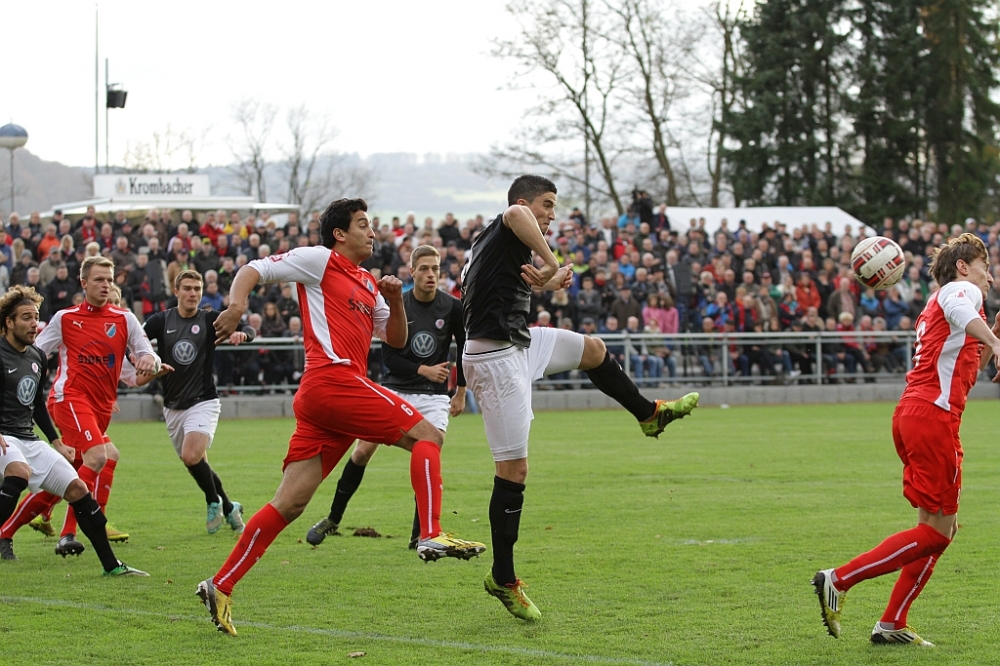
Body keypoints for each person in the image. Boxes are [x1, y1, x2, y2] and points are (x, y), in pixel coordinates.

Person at [197, 198, 484, 637]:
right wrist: (236, 306)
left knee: (290, 503)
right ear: (339, 233)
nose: (372, 232)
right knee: (428, 434)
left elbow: (396, 339)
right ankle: (430, 533)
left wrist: (395, 300)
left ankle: (220, 585)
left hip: (328, 401)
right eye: (363, 224)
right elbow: (254, 268)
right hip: (333, 380)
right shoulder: (319, 260)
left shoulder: (368, 281)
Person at [462, 175, 699, 621]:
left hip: (518, 343)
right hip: (495, 359)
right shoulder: (509, 220)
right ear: (525, 202)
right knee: (513, 470)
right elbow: (515, 214)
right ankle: (503, 578)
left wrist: (546, 283)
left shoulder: (497, 246)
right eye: (547, 205)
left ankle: (649, 414)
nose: (552, 214)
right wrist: (551, 263)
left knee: (593, 349)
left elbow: (496, 288)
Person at [813, 233, 1000, 646]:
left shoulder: (940, 307)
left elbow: (965, 373)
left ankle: (892, 623)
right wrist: (993, 339)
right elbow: (961, 307)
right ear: (963, 267)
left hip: (916, 415)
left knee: (940, 527)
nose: (990, 276)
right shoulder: (960, 291)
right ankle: (838, 579)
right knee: (937, 533)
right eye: (985, 267)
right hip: (932, 419)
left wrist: (991, 338)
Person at [305, 245, 468, 549]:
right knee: (361, 453)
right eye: (424, 269)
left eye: (435, 269)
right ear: (412, 271)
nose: (431, 274)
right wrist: (423, 369)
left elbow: (464, 349)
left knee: (429, 453)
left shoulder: (452, 306)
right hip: (395, 389)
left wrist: (460, 392)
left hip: (433, 397)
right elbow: (389, 358)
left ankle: (420, 536)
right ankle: (333, 519)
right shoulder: (397, 304)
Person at [0, 285, 146, 576]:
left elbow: (37, 403)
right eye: (26, 318)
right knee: (18, 472)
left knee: (78, 488)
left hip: (27, 438)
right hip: (4, 436)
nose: (34, 324)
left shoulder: (36, 356)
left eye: (36, 317)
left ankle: (112, 566)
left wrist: (55, 440)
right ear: (9, 322)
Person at [33, 256, 160, 556]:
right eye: (99, 279)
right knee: (99, 456)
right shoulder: (65, 318)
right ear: (84, 283)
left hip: (102, 407)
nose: (105, 285)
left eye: (110, 280)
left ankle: (15, 526)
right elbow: (35, 353)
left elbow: (149, 356)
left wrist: (150, 361)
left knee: (77, 467)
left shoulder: (125, 319)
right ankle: (68, 533)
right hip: (70, 398)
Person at [141, 269, 252, 534]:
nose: (193, 293)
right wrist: (144, 359)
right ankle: (229, 507)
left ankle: (213, 500)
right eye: (187, 288)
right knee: (196, 462)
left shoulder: (210, 319)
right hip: (172, 406)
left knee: (191, 456)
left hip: (203, 400)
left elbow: (247, 327)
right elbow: (136, 340)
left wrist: (243, 335)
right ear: (176, 291)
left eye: (197, 289)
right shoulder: (161, 320)